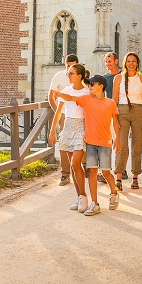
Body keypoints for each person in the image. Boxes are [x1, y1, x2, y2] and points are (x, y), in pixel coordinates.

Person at [53, 75, 120, 216]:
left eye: (92, 84)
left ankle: (114, 193)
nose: (89, 86)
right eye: (88, 84)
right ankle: (95, 203)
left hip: (105, 143)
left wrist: (118, 140)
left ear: (101, 85)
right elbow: (71, 98)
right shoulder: (87, 100)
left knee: (106, 172)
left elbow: (115, 123)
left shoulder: (111, 103)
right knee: (92, 173)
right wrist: (59, 94)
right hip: (90, 143)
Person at [48, 64, 91, 212]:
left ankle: (84, 196)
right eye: (68, 73)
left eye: (71, 73)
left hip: (81, 128)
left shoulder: (87, 91)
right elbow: (58, 112)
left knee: (76, 162)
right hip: (68, 127)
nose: (68, 76)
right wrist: (52, 131)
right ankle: (79, 196)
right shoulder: (66, 90)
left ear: (80, 76)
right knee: (73, 165)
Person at [112, 52, 142, 190]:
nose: (131, 63)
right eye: (128, 61)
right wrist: (113, 117)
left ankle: (135, 177)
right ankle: (119, 178)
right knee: (121, 145)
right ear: (125, 63)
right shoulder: (118, 78)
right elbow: (114, 100)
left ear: (137, 63)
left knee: (137, 146)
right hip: (122, 111)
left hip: (138, 111)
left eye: (133, 61)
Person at [48, 54, 79, 185]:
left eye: (72, 65)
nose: (70, 68)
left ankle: (83, 170)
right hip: (64, 114)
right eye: (68, 66)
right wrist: (58, 113)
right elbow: (50, 96)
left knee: (81, 141)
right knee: (64, 144)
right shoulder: (59, 76)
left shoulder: (82, 75)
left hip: (79, 115)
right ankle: (65, 174)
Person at [98, 52, 121, 184]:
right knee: (106, 142)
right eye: (106, 62)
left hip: (120, 112)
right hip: (107, 113)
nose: (107, 64)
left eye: (110, 61)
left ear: (116, 61)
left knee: (120, 141)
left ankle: (120, 169)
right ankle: (106, 170)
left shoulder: (122, 76)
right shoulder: (103, 78)